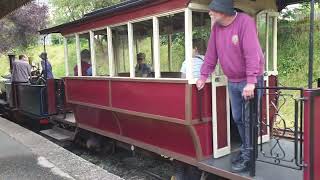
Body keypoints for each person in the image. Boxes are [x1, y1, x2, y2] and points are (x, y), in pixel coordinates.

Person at [196, 0, 264, 173]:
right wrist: (203, 76)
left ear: (223, 11)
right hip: (233, 81)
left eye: (212, 10)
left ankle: (249, 157)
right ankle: (247, 148)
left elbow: (252, 53)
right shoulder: (217, 29)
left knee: (249, 120)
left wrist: (250, 81)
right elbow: (211, 54)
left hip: (250, 81)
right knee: (238, 118)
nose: (210, 13)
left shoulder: (244, 22)